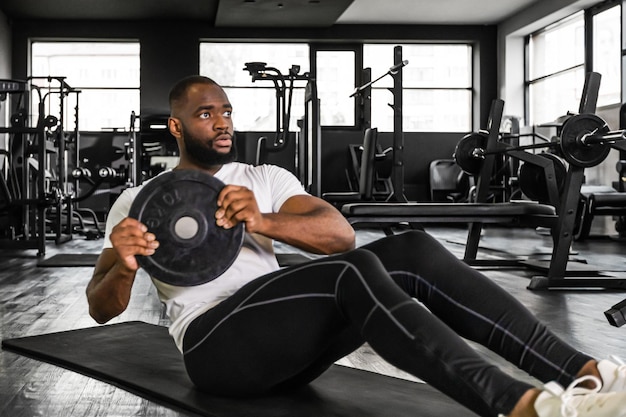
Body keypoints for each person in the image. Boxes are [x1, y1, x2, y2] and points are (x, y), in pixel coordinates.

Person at [86, 75, 626, 417]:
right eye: (206, 114)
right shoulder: (138, 200)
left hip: (290, 339)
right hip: (217, 351)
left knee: (410, 248)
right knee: (351, 273)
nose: (222, 121)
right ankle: (521, 406)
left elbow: (338, 235)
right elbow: (101, 308)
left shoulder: (262, 177)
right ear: (177, 127)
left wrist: (262, 220)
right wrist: (127, 265)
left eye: (225, 110)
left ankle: (589, 373)